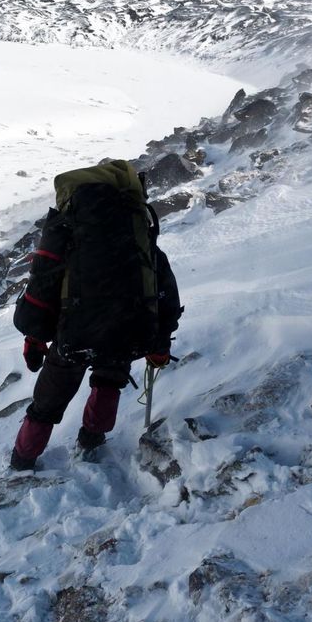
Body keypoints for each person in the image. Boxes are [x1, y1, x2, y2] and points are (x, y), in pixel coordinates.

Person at [9, 160, 183, 471]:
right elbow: (163, 287)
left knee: (46, 405)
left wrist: (34, 337)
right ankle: (91, 446)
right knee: (108, 384)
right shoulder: (137, 233)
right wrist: (160, 341)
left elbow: (43, 284)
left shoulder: (67, 232)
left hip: (73, 333)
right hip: (127, 330)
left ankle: (22, 463)